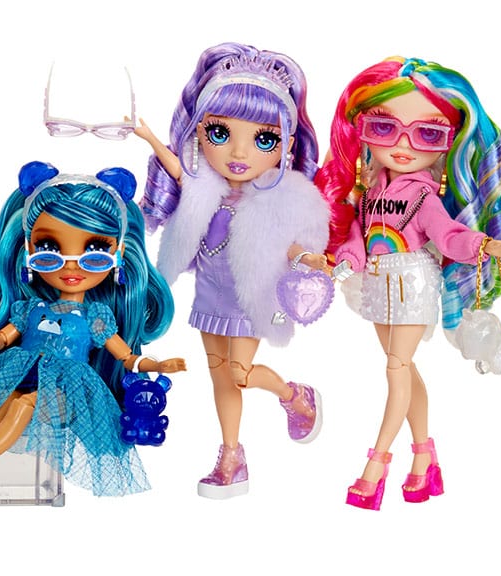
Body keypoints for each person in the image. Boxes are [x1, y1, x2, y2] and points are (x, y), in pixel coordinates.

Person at [0, 161, 185, 535]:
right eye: (50, 248)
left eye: (95, 249)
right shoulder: (30, 309)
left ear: (117, 255)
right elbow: (6, 337)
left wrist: (156, 365)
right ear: (28, 252)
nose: (72, 265)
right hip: (17, 374)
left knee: (23, 405)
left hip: (65, 391)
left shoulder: (95, 317)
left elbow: (126, 356)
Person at [315, 56, 501, 510]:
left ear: (448, 144)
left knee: (395, 369)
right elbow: (357, 238)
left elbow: (447, 235)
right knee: (403, 368)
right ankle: (425, 457)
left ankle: (376, 463)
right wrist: (343, 261)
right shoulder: (371, 191)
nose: (404, 145)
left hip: (413, 283)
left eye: (427, 134)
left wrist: (483, 244)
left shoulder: (424, 195)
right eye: (384, 128)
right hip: (376, 285)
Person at [134, 42, 329, 499]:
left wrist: (306, 259)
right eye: (220, 132)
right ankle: (231, 456)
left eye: (264, 139)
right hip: (210, 295)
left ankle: (295, 396)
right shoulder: (203, 186)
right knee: (220, 375)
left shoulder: (285, 197)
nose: (240, 152)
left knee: (240, 372)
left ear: (286, 144)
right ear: (200, 131)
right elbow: (178, 170)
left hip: (250, 296)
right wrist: (148, 136)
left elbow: (293, 242)